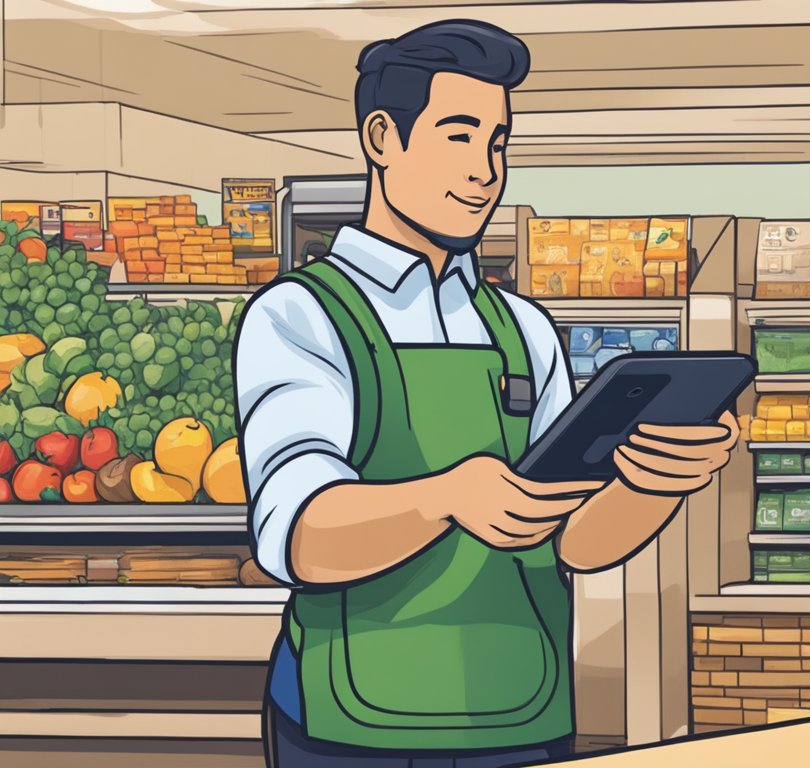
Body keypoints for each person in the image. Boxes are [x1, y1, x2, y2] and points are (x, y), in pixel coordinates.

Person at [234, 19, 739, 768]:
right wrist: (446, 496)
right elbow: (302, 537)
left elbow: (575, 539)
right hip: (351, 722)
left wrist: (652, 484)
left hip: (519, 707)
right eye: (458, 136)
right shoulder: (300, 314)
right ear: (381, 137)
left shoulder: (521, 326)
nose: (485, 172)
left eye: (497, 144)